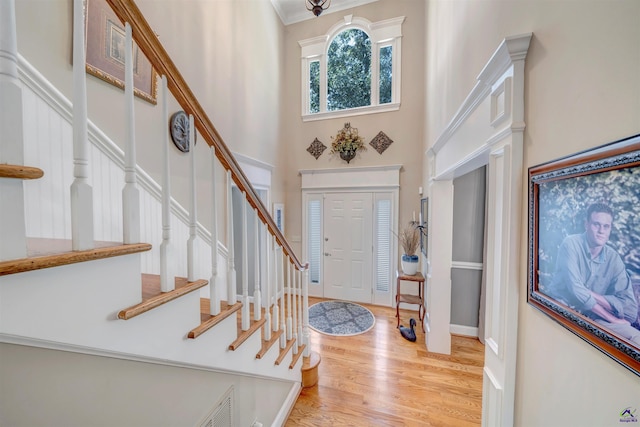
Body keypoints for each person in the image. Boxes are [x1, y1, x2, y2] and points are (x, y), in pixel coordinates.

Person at [548, 202, 640, 346]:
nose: (601, 231)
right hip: (564, 311)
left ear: (610, 229)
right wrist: (613, 319)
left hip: (595, 317)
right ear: (586, 225)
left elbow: (630, 312)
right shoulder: (571, 244)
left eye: (606, 226)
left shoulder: (613, 258)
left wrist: (590, 294)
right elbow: (575, 291)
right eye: (596, 224)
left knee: (636, 338)